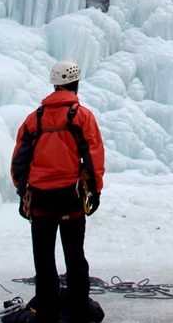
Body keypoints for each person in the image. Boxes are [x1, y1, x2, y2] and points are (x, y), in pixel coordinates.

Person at [11, 60, 105, 323]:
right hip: (70, 197)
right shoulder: (82, 116)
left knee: (43, 258)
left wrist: (22, 192)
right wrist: (95, 190)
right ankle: (78, 309)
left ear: (55, 84)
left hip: (40, 197)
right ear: (75, 83)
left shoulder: (34, 118)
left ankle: (47, 313)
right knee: (75, 256)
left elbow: (19, 159)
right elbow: (93, 155)